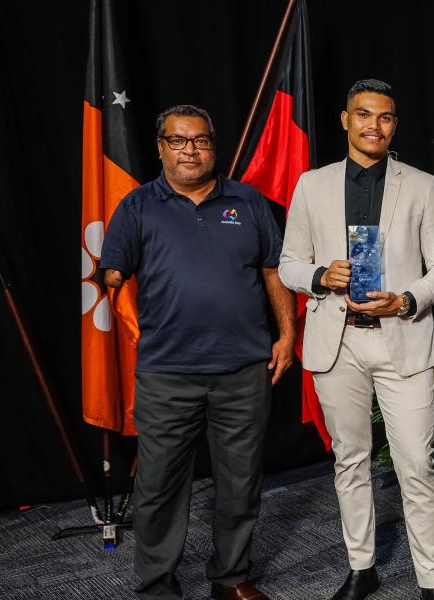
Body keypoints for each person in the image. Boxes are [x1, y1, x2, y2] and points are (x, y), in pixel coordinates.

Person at [100, 104, 295, 600]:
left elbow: (273, 272)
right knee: (161, 486)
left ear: (214, 145)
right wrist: (127, 313)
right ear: (161, 147)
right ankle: (158, 583)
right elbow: (113, 274)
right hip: (167, 374)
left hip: (244, 371)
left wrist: (288, 336)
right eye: (179, 140)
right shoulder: (138, 206)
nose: (191, 149)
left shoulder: (248, 202)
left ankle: (230, 578)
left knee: (240, 483)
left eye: (201, 140)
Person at [277, 79, 434, 600]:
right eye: (364, 114)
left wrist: (404, 299)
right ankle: (362, 567)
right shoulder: (312, 184)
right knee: (349, 460)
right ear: (345, 119)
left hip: (401, 337)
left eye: (384, 117)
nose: (373, 125)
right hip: (338, 344)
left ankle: (433, 580)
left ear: (394, 125)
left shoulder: (421, 185)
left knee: (416, 465)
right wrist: (319, 276)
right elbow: (289, 264)